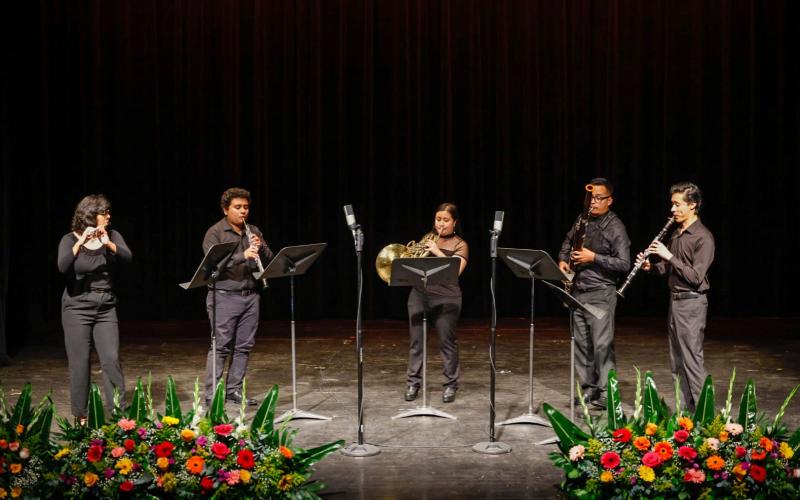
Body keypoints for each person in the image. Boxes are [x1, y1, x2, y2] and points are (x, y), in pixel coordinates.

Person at [639, 182, 714, 412]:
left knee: (692, 363)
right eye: (672, 204)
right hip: (675, 301)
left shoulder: (703, 238)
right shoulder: (676, 234)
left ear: (692, 205)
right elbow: (666, 269)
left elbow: (696, 277)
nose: (672, 210)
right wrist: (649, 267)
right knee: (677, 364)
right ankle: (686, 415)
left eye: (677, 204)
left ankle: (705, 416)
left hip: (692, 303)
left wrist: (669, 256)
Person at [58, 194, 132, 424]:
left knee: (111, 359)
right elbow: (62, 267)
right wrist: (81, 242)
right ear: (90, 214)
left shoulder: (113, 236)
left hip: (105, 307)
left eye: (109, 212)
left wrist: (107, 243)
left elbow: (127, 258)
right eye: (104, 212)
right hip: (77, 307)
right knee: (79, 362)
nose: (109, 216)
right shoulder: (70, 239)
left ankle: (117, 415)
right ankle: (81, 415)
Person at [558, 178, 630, 409]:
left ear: (610, 200)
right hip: (578, 291)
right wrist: (562, 260)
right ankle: (589, 389)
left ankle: (608, 393)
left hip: (601, 293)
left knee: (601, 345)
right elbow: (567, 243)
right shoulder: (582, 219)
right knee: (582, 344)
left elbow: (624, 264)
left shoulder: (616, 227)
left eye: (599, 198)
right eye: (591, 198)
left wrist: (593, 258)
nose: (594, 202)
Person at [203, 187, 273, 406]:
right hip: (224, 295)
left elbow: (270, 258)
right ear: (226, 209)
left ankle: (233, 390)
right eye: (237, 207)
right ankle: (212, 394)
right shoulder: (215, 233)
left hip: (251, 295)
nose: (243, 212)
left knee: (244, 346)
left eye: (246, 207)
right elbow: (212, 266)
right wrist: (243, 256)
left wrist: (259, 248)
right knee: (221, 346)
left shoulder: (253, 230)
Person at [404, 203, 469, 403]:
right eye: (438, 219)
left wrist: (436, 251)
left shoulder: (460, 244)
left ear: (455, 222)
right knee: (416, 343)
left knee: (446, 343)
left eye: (446, 220)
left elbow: (455, 271)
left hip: (447, 298)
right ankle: (413, 383)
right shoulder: (427, 239)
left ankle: (450, 385)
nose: (441, 223)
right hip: (419, 295)